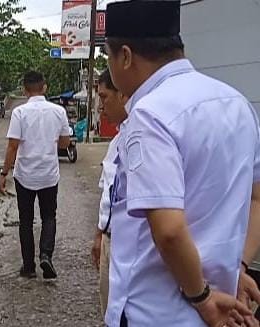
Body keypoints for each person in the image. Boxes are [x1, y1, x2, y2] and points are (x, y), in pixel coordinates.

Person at [103, 1, 260, 326]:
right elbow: (257, 198)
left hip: (155, 312)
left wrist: (201, 299)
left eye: (109, 56)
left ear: (126, 57)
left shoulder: (150, 114)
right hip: (221, 304)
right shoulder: (237, 104)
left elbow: (170, 230)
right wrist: (238, 268)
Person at [0, 71, 70, 279]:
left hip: (25, 175)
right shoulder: (59, 111)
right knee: (49, 216)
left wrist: (4, 173)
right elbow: (65, 143)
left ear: (24, 89)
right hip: (48, 174)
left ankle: (28, 266)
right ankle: (46, 255)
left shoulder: (20, 113)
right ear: (44, 87)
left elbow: (12, 146)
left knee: (26, 221)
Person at [90, 69, 128, 316]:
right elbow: (108, 194)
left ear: (123, 94)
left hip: (128, 247)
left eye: (104, 97)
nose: (101, 106)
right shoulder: (116, 142)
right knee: (110, 313)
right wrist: (99, 235)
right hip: (110, 239)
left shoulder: (143, 139)